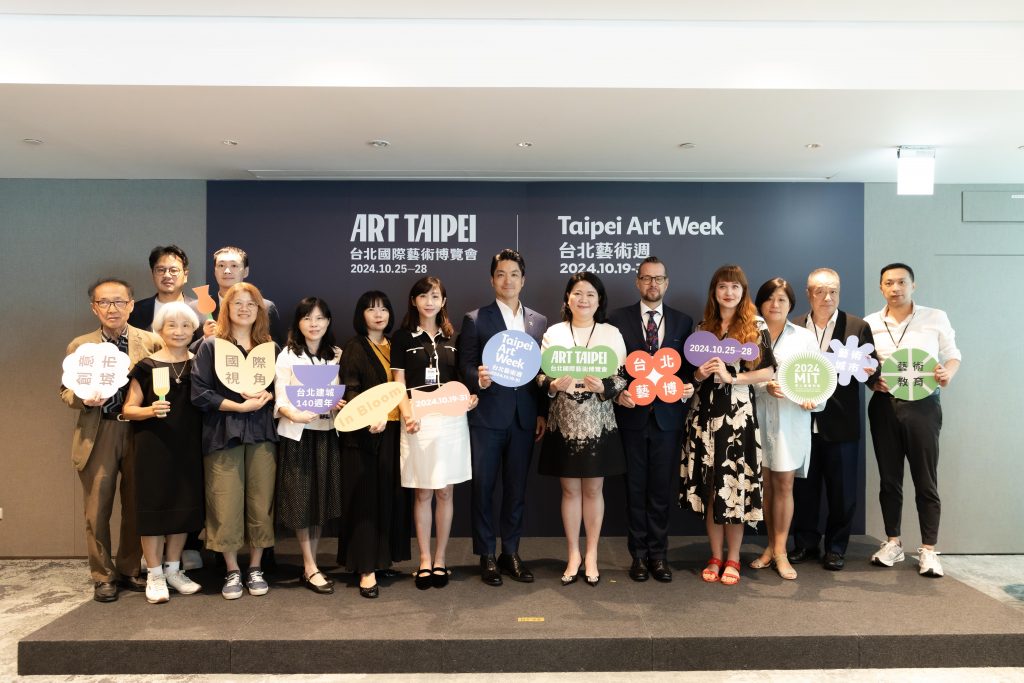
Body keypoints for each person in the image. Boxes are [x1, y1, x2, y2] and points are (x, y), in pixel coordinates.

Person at [60, 278, 162, 602]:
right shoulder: (80, 346)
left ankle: (130, 568)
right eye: (104, 302)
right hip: (99, 430)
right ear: (94, 307)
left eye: (119, 301)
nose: (112, 308)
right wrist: (80, 397)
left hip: (140, 432)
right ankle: (103, 575)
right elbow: (64, 392)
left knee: (136, 505)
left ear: (131, 305)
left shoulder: (151, 342)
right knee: (96, 509)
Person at [680, 264, 776, 586]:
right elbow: (691, 377)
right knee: (710, 487)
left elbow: (768, 372)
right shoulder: (702, 327)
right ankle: (715, 554)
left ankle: (733, 558)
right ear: (714, 291)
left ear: (743, 291)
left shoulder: (755, 326)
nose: (729, 292)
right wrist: (699, 375)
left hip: (737, 417)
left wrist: (733, 376)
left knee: (733, 487)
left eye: (735, 287)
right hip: (703, 416)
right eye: (723, 286)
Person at [458, 249, 547, 586]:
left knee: (516, 489)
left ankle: (511, 551)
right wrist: (475, 376)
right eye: (501, 274)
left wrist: (540, 411)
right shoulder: (475, 319)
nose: (507, 280)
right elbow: (463, 365)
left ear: (523, 280)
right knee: (483, 489)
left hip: (524, 417)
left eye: (514, 274)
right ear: (491, 279)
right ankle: (486, 554)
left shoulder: (538, 322)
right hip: (487, 417)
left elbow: (541, 372)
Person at [865, 263, 960, 577]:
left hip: (923, 405)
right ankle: (892, 542)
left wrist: (948, 372)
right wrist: (871, 381)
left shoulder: (935, 317)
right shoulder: (870, 323)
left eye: (902, 282)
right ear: (881, 288)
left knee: (925, 477)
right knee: (889, 478)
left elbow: (953, 354)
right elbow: (864, 365)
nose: (896, 288)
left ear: (913, 285)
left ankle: (929, 550)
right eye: (889, 283)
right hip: (883, 406)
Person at [537, 272, 627, 587]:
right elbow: (540, 376)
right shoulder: (553, 333)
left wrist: (605, 385)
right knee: (569, 490)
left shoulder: (611, 333)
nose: (583, 299)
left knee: (593, 490)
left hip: (598, 421)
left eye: (590, 294)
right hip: (564, 421)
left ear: (599, 300)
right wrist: (551, 384)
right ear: (567, 299)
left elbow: (622, 377)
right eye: (577, 293)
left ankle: (591, 554)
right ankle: (573, 553)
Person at [609, 256, 694, 583]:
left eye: (658, 278)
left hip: (668, 421)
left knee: (660, 490)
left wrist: (689, 385)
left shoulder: (683, 322)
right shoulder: (617, 320)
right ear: (637, 282)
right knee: (634, 489)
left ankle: (659, 555)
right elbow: (612, 370)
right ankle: (638, 556)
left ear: (667, 282)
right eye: (646, 278)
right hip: (631, 417)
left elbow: (688, 371)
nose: (652, 284)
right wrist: (617, 393)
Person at [191, 282, 279, 599]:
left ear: (260, 311)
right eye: (237, 303)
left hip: (261, 433)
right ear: (226, 308)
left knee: (260, 499)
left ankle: (255, 566)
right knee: (224, 501)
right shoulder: (212, 346)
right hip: (221, 432)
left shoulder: (269, 348)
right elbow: (199, 393)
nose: (244, 308)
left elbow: (282, 390)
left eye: (251, 304)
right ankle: (231, 569)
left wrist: (270, 394)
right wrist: (237, 406)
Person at [789, 268, 877, 571]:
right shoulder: (795, 326)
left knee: (842, 492)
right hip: (801, 421)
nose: (828, 297)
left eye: (834, 291)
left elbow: (872, 370)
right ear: (808, 293)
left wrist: (871, 371)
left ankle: (836, 547)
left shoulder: (856, 326)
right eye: (820, 291)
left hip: (841, 423)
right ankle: (805, 544)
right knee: (804, 490)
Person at [392, 276, 476, 590]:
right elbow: (398, 383)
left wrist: (470, 397)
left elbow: (461, 379)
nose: (430, 301)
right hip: (418, 418)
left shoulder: (453, 336)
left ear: (443, 302)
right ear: (414, 301)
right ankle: (424, 560)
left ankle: (441, 559)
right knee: (423, 491)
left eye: (436, 296)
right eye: (424, 296)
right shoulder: (401, 337)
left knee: (445, 492)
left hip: (452, 420)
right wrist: (407, 413)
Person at [121, 302, 205, 603]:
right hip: (153, 448)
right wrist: (148, 410)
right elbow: (128, 410)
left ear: (193, 329)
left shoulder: (201, 364)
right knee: (154, 510)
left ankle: (173, 570)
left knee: (182, 508)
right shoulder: (147, 366)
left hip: (190, 448)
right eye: (172, 325)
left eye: (185, 326)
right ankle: (154, 575)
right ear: (160, 329)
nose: (179, 331)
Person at [338, 291, 412, 598]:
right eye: (371, 310)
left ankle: (381, 560)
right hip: (364, 436)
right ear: (361, 315)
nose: (378, 314)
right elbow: (350, 390)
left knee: (387, 497)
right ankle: (365, 568)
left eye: (383, 308)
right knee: (366, 501)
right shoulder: (355, 347)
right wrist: (372, 415)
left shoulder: (395, 345)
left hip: (393, 432)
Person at [749, 278, 823, 581]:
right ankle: (770, 546)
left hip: (790, 419)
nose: (775, 305)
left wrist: (811, 400)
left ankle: (780, 550)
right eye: (769, 299)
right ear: (760, 302)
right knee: (765, 485)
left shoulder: (804, 337)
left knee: (784, 484)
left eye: (781, 299)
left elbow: (817, 377)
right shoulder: (749, 333)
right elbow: (739, 374)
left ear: (791, 304)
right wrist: (763, 383)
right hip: (755, 415)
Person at [274, 297, 343, 595]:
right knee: (301, 501)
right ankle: (309, 565)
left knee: (319, 500)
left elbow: (340, 394)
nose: (313, 324)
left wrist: (339, 405)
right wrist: (296, 414)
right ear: (298, 323)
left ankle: (311, 563)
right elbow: (280, 400)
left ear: (328, 322)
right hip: (299, 435)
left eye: (319, 318)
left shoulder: (336, 355)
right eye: (307, 318)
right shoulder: (288, 355)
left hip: (327, 432)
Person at [201, 246, 284, 344]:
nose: (227, 271)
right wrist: (205, 338)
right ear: (215, 271)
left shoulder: (265, 307)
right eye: (221, 265)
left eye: (234, 266)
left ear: (245, 271)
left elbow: (276, 348)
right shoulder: (199, 307)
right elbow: (187, 351)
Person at [128, 244, 203, 334]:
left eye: (173, 270)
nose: (167, 275)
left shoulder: (200, 310)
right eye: (160, 270)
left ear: (185, 275)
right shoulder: (135, 311)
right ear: (153, 274)